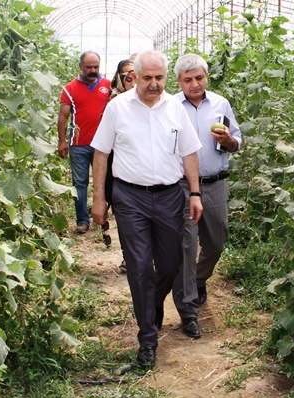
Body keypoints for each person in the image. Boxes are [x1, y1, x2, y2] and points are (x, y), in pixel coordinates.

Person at [90, 50, 203, 368]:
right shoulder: (117, 109)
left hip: (169, 196)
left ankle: (150, 306)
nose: (154, 84)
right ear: (134, 77)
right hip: (130, 198)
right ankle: (148, 340)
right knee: (139, 268)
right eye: (147, 78)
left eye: (159, 78)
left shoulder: (175, 109)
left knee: (169, 265)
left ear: (166, 77)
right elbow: (100, 154)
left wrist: (194, 193)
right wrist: (100, 199)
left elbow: (189, 152)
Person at [171, 53, 242, 338]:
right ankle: (188, 310)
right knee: (186, 246)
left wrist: (229, 140)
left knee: (216, 243)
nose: (194, 84)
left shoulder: (220, 104)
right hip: (181, 188)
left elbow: (237, 141)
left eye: (199, 78)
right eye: (188, 80)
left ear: (206, 77)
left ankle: (199, 280)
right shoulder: (170, 106)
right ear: (178, 82)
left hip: (214, 184)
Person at [57, 51, 111, 234]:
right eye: (89, 67)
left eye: (96, 67)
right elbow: (63, 116)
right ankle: (82, 220)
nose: (93, 70)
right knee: (80, 183)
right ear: (80, 66)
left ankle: (102, 217)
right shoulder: (70, 88)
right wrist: (62, 141)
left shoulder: (108, 86)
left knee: (103, 182)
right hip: (78, 144)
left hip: (103, 145)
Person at [105, 59, 136, 273]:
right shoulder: (114, 102)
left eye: (136, 75)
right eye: (127, 76)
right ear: (119, 78)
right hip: (117, 166)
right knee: (124, 214)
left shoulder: (156, 101)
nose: (132, 81)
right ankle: (129, 257)